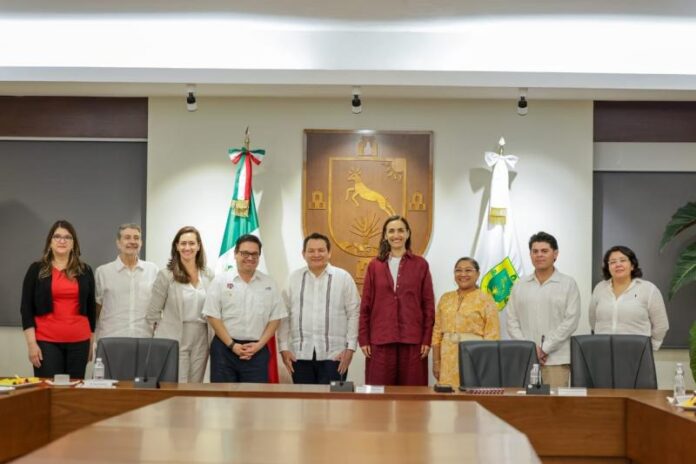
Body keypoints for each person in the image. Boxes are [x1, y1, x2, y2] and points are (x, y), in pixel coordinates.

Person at [358, 215, 435, 386]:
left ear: (408, 233)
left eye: (400, 230)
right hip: (380, 340)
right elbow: (366, 306)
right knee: (379, 394)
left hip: (413, 341)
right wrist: (363, 339)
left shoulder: (421, 264)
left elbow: (428, 305)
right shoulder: (374, 266)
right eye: (391, 231)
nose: (396, 235)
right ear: (385, 235)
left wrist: (426, 338)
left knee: (413, 396)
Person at [279, 232, 360, 384]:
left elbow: (354, 314)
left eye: (321, 250)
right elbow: (284, 315)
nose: (316, 254)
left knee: (333, 403)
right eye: (311, 251)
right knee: (304, 403)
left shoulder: (343, 278)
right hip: (300, 354)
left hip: (335, 355)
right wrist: (283, 348)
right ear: (303, 254)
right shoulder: (293, 279)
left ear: (329, 253)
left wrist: (350, 349)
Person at [203, 235, 286, 383]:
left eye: (254, 254)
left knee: (254, 402)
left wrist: (259, 345)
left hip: (257, 351)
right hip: (225, 350)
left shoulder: (269, 283)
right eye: (245, 253)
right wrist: (232, 345)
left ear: (259, 256)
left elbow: (276, 318)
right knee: (223, 401)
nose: (250, 257)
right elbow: (212, 316)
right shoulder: (220, 281)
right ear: (235, 254)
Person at [20, 220, 96, 379]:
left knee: (73, 394)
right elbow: (26, 309)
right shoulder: (36, 269)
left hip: (79, 342)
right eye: (57, 236)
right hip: (46, 342)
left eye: (67, 237)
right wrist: (31, 344)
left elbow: (91, 309)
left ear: (73, 243)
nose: (62, 240)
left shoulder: (85, 270)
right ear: (50, 242)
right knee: (49, 393)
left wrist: (91, 343)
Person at [506, 231, 580, 389]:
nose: (539, 255)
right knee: (526, 409)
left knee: (555, 409)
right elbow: (511, 320)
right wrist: (530, 350)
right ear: (530, 254)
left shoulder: (568, 284)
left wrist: (545, 348)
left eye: (544, 251)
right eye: (535, 251)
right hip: (525, 360)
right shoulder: (519, 284)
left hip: (556, 360)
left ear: (555, 254)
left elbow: (571, 321)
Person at [147, 226, 214, 383]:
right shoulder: (166, 275)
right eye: (183, 243)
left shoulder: (208, 274)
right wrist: (163, 334)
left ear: (198, 246)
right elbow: (153, 313)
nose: (187, 248)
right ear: (176, 246)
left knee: (196, 384)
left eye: (191, 243)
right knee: (178, 383)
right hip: (176, 335)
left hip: (201, 336)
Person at [431, 257, 500, 387]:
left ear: (478, 274)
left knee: (471, 398)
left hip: (474, 357)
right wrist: (436, 362)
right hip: (447, 360)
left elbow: (492, 336)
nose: (463, 274)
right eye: (458, 270)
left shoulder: (486, 299)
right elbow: (436, 333)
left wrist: (485, 366)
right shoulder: (446, 298)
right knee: (447, 400)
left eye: (468, 270)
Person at [589, 245, 669, 351]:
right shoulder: (599, 288)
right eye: (612, 262)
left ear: (632, 265)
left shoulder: (648, 289)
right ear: (608, 267)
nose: (618, 264)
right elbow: (593, 320)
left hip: (636, 352)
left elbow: (661, 325)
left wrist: (650, 348)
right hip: (604, 350)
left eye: (622, 260)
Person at [94, 224, 158, 340]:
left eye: (136, 238)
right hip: (110, 340)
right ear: (118, 243)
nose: (132, 241)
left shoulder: (153, 270)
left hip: (144, 339)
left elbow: (157, 307)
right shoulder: (103, 272)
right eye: (127, 237)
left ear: (141, 243)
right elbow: (97, 309)